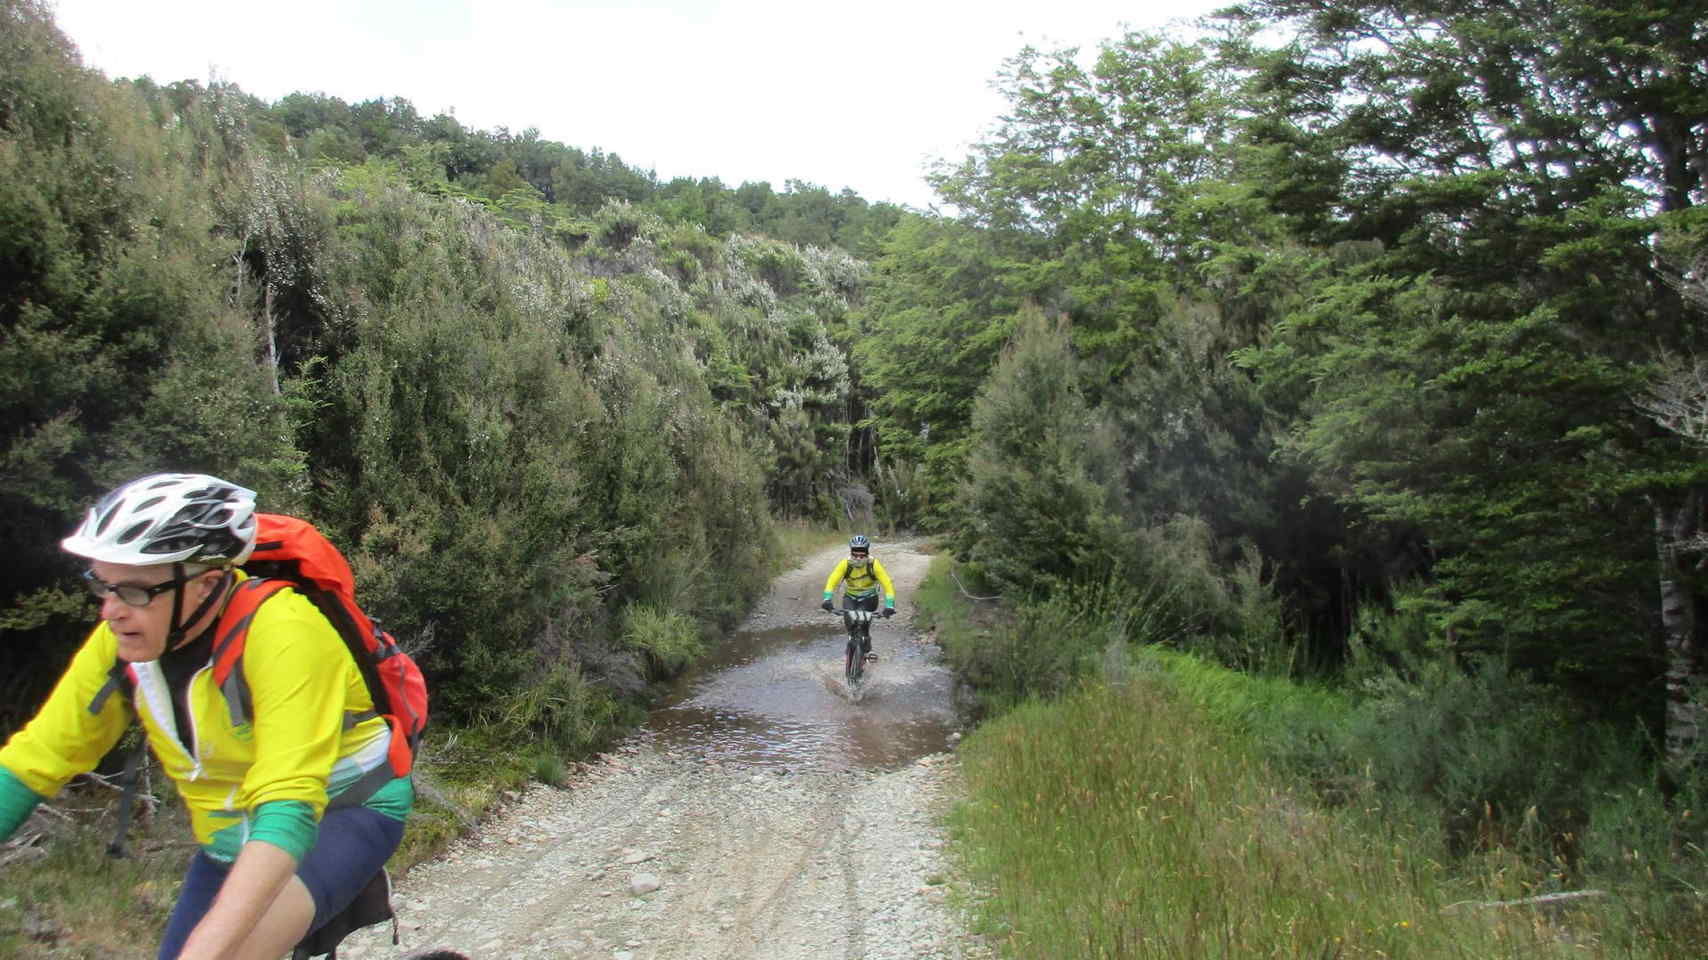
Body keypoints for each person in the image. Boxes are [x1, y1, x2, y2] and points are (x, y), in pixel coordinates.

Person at [0, 473, 413, 960]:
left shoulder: (286, 631)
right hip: (229, 837)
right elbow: (37, 758)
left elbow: (289, 803)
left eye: (133, 591)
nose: (110, 611)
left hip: (341, 810)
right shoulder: (121, 641)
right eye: (102, 585)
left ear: (208, 584)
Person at [820, 534, 898, 657]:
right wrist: (827, 598)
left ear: (867, 553)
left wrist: (890, 605)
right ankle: (851, 641)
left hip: (869, 599)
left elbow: (887, 584)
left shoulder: (874, 564)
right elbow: (832, 579)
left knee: (863, 623)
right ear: (851, 553)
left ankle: (867, 648)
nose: (858, 558)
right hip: (850, 597)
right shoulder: (845, 564)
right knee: (849, 621)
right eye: (855, 555)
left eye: (862, 555)